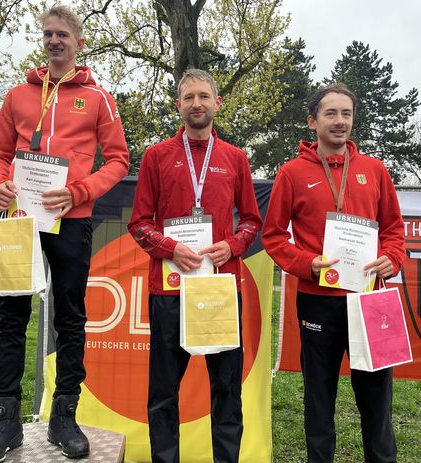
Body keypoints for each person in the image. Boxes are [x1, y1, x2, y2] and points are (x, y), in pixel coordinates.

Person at [0, 5, 129, 462]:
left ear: (79, 43)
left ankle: (65, 416)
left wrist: (81, 190)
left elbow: (118, 159)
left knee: (71, 316)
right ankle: (6, 421)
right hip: (20, 219)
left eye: (63, 34)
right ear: (43, 41)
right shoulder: (17, 95)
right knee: (11, 315)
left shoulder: (99, 97)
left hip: (71, 217)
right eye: (48, 34)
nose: (55, 41)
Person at [262, 83, 405, 463]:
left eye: (346, 114)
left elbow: (394, 230)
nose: (340, 122)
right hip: (317, 302)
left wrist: (392, 257)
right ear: (312, 121)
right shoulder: (292, 173)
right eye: (331, 114)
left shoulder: (374, 171)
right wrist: (304, 264)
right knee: (319, 400)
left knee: (377, 404)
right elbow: (273, 236)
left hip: (370, 302)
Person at [128, 69, 262, 463]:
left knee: (226, 387)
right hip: (170, 290)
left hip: (220, 289)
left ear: (217, 103)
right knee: (164, 391)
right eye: (189, 97)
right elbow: (138, 223)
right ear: (179, 105)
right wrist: (168, 247)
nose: (197, 104)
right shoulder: (156, 156)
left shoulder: (235, 158)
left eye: (204, 96)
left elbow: (253, 221)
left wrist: (234, 244)